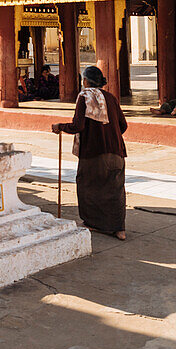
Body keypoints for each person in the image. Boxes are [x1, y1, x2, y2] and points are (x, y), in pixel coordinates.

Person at [51, 64, 128, 240]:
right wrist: (110, 136)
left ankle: (92, 223)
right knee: (115, 189)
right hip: (116, 151)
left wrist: (60, 127)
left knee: (88, 187)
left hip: (93, 152)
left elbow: (78, 126)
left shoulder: (84, 97)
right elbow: (123, 125)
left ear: (85, 81)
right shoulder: (111, 98)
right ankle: (119, 229)